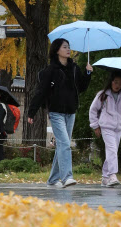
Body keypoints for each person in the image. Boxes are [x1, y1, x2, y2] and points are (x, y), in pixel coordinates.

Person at [27, 38, 93, 189]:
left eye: (69, 47)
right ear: (57, 50)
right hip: (56, 113)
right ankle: (67, 177)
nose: (68, 49)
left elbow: (82, 87)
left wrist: (88, 73)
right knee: (64, 144)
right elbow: (41, 92)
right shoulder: (50, 71)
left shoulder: (74, 68)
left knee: (62, 146)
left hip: (71, 112)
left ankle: (52, 179)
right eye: (65, 47)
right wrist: (32, 112)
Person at [89, 72, 121, 187]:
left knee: (112, 152)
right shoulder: (103, 95)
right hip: (106, 127)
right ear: (111, 82)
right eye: (115, 82)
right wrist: (95, 126)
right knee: (112, 150)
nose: (117, 85)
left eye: (120, 83)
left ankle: (105, 177)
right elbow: (93, 110)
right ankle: (113, 175)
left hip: (118, 128)